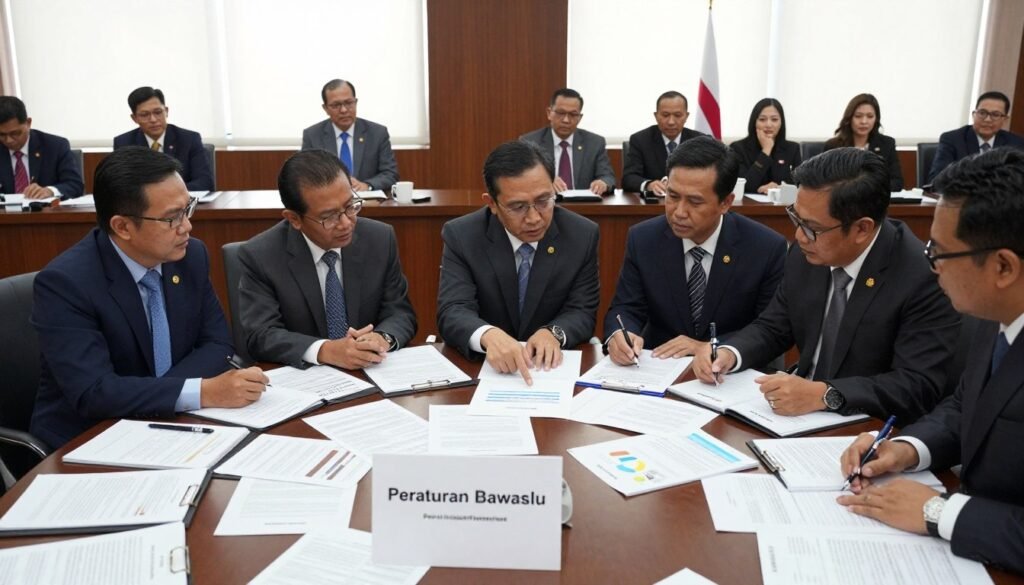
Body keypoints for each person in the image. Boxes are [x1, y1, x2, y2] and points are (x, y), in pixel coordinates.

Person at [837, 147, 1024, 575]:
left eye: (939, 252)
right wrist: (905, 449)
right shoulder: (993, 313)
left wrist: (940, 512)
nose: (932, 266)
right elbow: (968, 408)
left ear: (1003, 267)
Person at [694, 147, 959, 423]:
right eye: (796, 217)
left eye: (812, 227)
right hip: (793, 416)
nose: (799, 235)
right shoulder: (807, 253)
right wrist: (729, 353)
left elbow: (916, 385)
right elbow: (774, 326)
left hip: (866, 426)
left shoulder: (921, 276)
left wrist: (824, 394)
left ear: (862, 228)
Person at [30, 147, 266, 450]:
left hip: (170, 428)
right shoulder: (66, 284)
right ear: (123, 227)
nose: (187, 226)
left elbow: (218, 343)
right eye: (172, 218)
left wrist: (173, 395)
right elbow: (94, 392)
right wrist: (200, 392)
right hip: (89, 439)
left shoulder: (190, 256)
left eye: (187, 208)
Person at [605, 136, 786, 365]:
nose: (679, 212)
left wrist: (712, 347)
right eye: (672, 196)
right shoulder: (643, 239)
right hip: (660, 365)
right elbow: (626, 307)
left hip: (729, 373)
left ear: (726, 202)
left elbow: (769, 329)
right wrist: (621, 335)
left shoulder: (765, 247)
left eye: (695, 202)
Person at [437, 140, 599, 383]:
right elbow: (453, 310)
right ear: (492, 204)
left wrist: (553, 333)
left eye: (543, 200)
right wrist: (487, 335)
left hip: (550, 371)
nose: (534, 218)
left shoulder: (581, 235)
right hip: (484, 370)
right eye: (518, 207)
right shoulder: (462, 235)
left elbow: (582, 310)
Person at [238, 150, 416, 369]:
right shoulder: (261, 255)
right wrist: (325, 350)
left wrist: (382, 338)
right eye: (329, 217)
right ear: (294, 219)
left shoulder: (379, 239)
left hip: (370, 371)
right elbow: (261, 335)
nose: (346, 223)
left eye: (350, 206)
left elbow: (400, 312)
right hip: (306, 377)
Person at [301, 79, 399, 193]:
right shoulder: (312, 136)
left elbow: (390, 174)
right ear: (326, 108)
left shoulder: (377, 133)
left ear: (356, 102)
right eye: (336, 105)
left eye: (348, 103)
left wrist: (367, 185)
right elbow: (305, 175)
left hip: (368, 200)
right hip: (330, 199)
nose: (343, 110)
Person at [113, 87, 214, 191]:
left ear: (166, 111)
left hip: (181, 200)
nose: (153, 120)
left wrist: (168, 195)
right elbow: (121, 186)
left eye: (158, 112)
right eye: (144, 115)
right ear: (134, 118)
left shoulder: (189, 139)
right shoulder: (124, 144)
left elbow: (205, 181)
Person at [520, 88, 615, 195]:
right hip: (546, 201)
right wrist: (546, 181)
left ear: (580, 118)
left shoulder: (595, 143)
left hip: (583, 203)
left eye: (573, 114)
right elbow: (522, 178)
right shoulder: (530, 142)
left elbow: (607, 176)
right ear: (549, 113)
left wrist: (603, 183)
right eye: (560, 113)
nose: (566, 120)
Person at [928, 90, 1024, 184]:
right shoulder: (953, 139)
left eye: (995, 115)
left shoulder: (1015, 143)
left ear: (1005, 119)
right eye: (982, 113)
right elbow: (938, 178)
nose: (987, 119)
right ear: (974, 115)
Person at [622, 91, 707, 194]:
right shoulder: (640, 140)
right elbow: (629, 178)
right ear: (656, 116)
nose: (671, 122)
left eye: (677, 115)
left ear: (686, 116)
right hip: (654, 201)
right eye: (665, 115)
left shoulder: (700, 141)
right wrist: (648, 185)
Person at [0, 96, 83, 200]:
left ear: (28, 123)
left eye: (15, 133)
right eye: (2, 135)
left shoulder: (55, 146)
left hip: (46, 210)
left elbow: (75, 185)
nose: (8, 140)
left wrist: (50, 191)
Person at [823, 93, 903, 192]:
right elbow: (825, 182)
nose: (864, 121)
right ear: (849, 118)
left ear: (876, 119)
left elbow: (897, 182)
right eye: (858, 116)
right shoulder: (833, 146)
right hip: (843, 199)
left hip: (875, 198)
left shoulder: (887, 144)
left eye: (870, 116)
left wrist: (868, 190)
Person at [730, 98, 802, 194]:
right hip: (748, 203)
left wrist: (778, 188)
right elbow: (745, 186)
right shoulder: (738, 148)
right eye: (762, 119)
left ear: (781, 123)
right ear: (754, 122)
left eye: (774, 119)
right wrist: (766, 150)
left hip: (782, 202)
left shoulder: (793, 149)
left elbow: (800, 184)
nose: (768, 124)